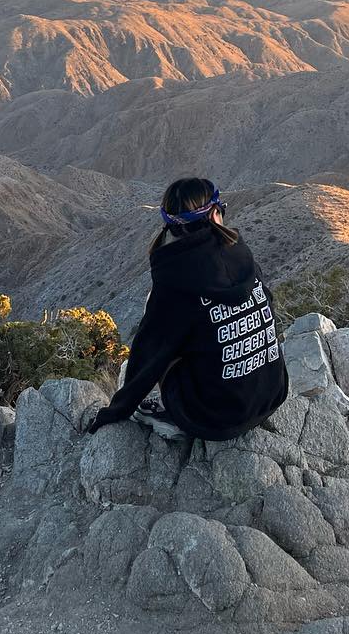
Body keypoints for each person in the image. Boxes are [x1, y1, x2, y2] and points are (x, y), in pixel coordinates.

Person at [87, 177, 288, 440]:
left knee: (167, 339)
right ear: (216, 215)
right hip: (271, 394)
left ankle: (169, 416)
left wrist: (115, 411)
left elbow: (149, 356)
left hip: (215, 418)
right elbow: (268, 311)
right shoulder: (241, 253)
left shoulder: (174, 280)